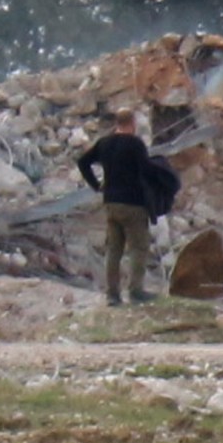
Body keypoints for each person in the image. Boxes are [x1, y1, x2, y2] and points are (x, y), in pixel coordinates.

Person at [79, 108, 156, 306]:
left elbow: (83, 162)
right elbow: (147, 172)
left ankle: (112, 295)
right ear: (132, 123)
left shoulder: (105, 143)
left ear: (116, 123)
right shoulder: (136, 145)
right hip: (133, 203)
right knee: (139, 247)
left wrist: (96, 186)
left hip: (111, 202)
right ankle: (136, 290)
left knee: (114, 249)